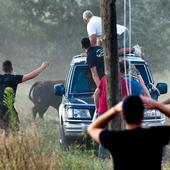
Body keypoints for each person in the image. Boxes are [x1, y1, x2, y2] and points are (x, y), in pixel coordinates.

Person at [88, 95, 170, 170]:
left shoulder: (116, 139)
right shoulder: (156, 135)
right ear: (142, 114)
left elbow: (91, 129)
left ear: (122, 115)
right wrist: (157, 105)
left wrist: (114, 109)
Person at [0, 60, 48, 133]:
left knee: (5, 128)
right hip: (8, 108)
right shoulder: (14, 78)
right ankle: (9, 142)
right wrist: (42, 67)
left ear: (2, 69)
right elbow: (31, 75)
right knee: (14, 129)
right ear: (12, 69)